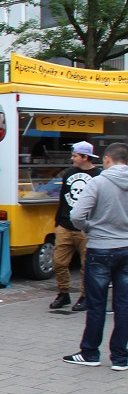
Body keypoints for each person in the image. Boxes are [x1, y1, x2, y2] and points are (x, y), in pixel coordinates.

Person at [63, 142, 128, 371]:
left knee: (97, 303)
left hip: (100, 248)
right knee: (123, 304)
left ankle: (90, 353)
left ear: (108, 160)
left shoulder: (98, 182)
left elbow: (77, 215)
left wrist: (89, 227)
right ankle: (121, 358)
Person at [50, 141, 101, 311]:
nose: (72, 158)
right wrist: (57, 222)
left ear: (85, 157)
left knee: (86, 266)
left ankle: (85, 296)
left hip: (86, 228)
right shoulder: (69, 174)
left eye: (75, 156)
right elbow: (63, 199)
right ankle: (63, 293)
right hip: (65, 225)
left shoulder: (98, 176)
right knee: (58, 262)